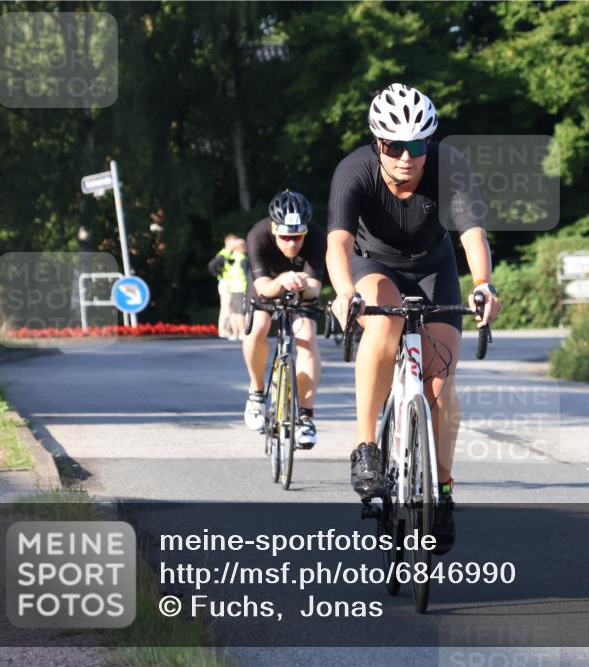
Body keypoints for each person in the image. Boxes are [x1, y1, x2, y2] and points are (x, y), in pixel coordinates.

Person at [327, 83, 501, 554]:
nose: (406, 157)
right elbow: (338, 243)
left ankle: (441, 490)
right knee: (384, 325)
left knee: (440, 388)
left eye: (417, 146)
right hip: (373, 264)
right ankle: (366, 447)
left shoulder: (449, 167)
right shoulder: (354, 171)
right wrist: (345, 293)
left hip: (432, 267)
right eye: (393, 146)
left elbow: (472, 234)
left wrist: (483, 284)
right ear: (377, 143)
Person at [242, 191, 327, 449]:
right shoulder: (258, 235)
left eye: (298, 237)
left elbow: (314, 288)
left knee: (307, 336)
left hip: (301, 287)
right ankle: (256, 393)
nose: (292, 244)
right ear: (273, 229)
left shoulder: (317, 236)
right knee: (259, 326)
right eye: (286, 237)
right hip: (267, 282)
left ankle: (305, 417)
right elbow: (263, 287)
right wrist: (281, 280)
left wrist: (302, 284)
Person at [207, 234, 238, 338]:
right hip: (226, 283)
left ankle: (228, 330)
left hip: (232, 283)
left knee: (231, 308)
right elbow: (212, 266)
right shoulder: (224, 254)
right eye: (233, 242)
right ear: (228, 242)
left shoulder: (231, 253)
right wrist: (219, 274)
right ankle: (224, 331)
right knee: (226, 307)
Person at [225, 237, 249, 341]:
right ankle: (243, 333)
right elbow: (247, 274)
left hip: (233, 287)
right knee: (241, 313)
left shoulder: (231, 258)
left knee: (234, 312)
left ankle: (235, 333)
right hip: (241, 288)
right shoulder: (243, 259)